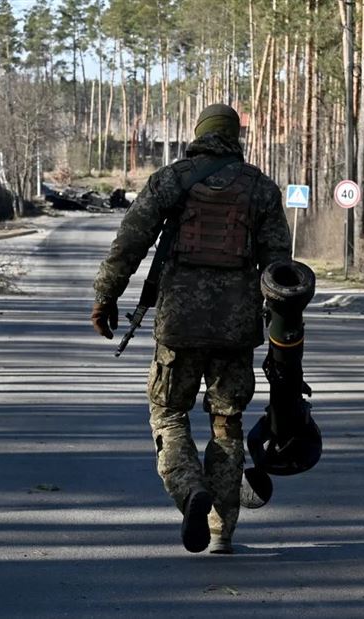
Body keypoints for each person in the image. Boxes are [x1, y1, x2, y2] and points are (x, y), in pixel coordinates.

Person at [91, 103, 292, 554]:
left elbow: (131, 241)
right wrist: (284, 334)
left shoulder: (171, 180)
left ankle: (190, 493)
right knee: (227, 424)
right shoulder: (259, 188)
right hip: (237, 330)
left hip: (178, 324)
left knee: (168, 413)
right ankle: (222, 531)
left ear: (199, 134)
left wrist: (106, 295)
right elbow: (279, 269)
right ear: (235, 137)